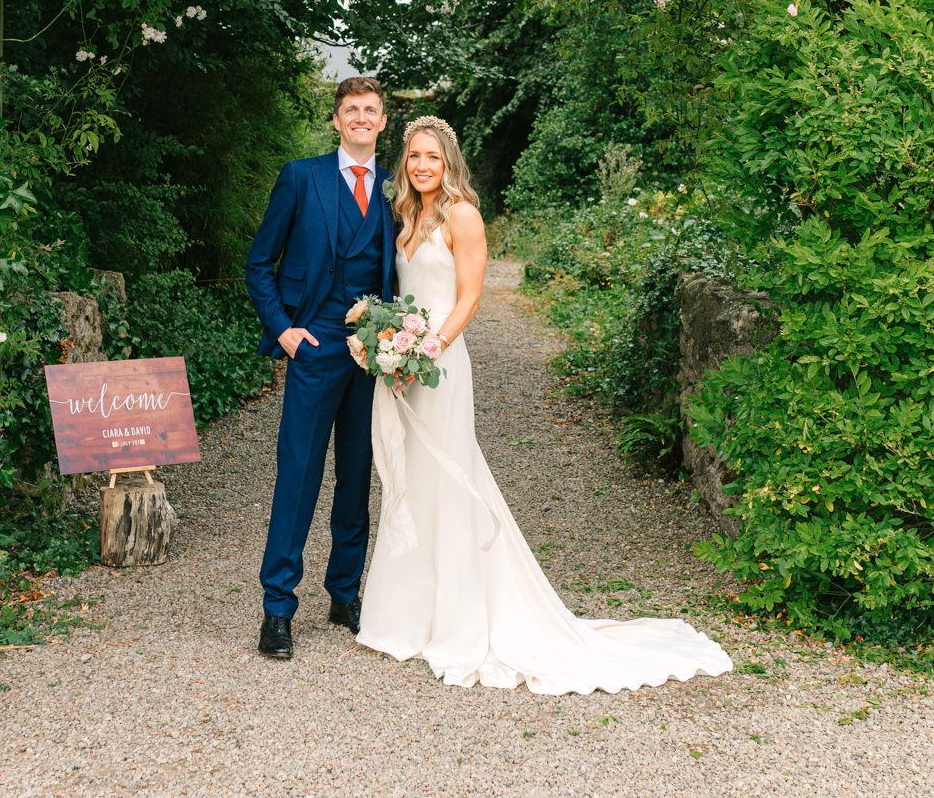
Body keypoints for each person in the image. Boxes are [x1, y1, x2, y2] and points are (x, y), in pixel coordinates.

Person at [357, 116, 734, 694]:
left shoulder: (462, 214)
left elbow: (470, 296)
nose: (423, 166)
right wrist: (388, 348)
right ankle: (408, 616)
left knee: (450, 479)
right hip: (406, 369)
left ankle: (459, 623)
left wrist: (426, 349)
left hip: (441, 366)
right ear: (405, 163)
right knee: (412, 479)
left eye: (432, 157)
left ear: (449, 161)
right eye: (414, 158)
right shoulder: (406, 216)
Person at [243, 77, 397, 660]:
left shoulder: (393, 187)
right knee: (300, 473)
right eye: (351, 110)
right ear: (337, 120)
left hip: (373, 351)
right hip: (313, 346)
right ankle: (277, 608)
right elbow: (259, 263)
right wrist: (284, 330)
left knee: (357, 476)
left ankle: (344, 593)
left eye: (371, 111)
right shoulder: (301, 177)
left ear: (383, 123)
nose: (361, 118)